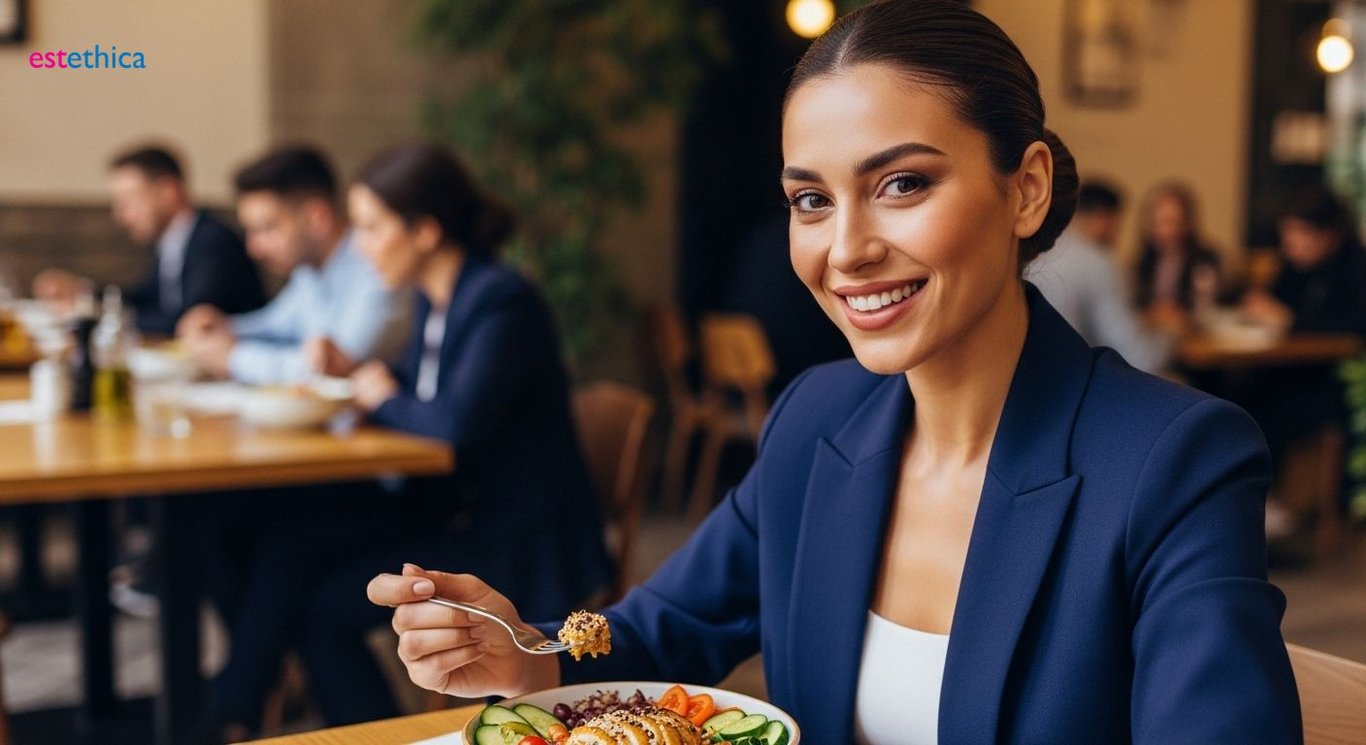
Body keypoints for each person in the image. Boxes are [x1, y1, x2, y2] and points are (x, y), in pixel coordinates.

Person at [367, 3, 1301, 743]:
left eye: (902, 184)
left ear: (1027, 188)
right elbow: (657, 631)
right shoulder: (820, 417)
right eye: (811, 199)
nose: (845, 249)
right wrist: (526, 650)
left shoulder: (1175, 461)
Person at [211, 143, 613, 737]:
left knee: (322, 609)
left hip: (517, 541)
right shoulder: (439, 296)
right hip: (455, 510)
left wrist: (381, 396)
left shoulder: (501, 300)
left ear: (424, 231)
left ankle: (240, 712)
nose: (360, 244)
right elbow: (429, 389)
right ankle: (232, 708)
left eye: (372, 228)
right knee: (282, 541)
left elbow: (453, 424)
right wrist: (363, 375)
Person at [176, 146, 410, 384]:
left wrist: (233, 358)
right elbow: (277, 324)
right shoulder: (309, 271)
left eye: (267, 228)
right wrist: (223, 328)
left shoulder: (380, 267)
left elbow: (334, 369)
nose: (253, 248)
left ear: (316, 218)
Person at [33, 145, 265, 335]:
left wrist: (97, 315)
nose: (120, 216)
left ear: (168, 192)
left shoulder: (213, 242)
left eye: (128, 201)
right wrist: (85, 293)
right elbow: (146, 298)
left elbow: (186, 321)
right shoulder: (174, 240)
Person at [1028, 181, 1173, 373]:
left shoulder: (1040, 252)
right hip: (1073, 380)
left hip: (1033, 376)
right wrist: (1172, 334)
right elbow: (1139, 358)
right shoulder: (1098, 262)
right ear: (1104, 218)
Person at [1133, 181, 1222, 334]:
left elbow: (1208, 304)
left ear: (1187, 223)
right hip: (1154, 337)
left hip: (1195, 337)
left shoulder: (1204, 258)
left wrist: (1179, 313)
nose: (1165, 230)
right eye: (1158, 222)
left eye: (1171, 221)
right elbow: (1134, 304)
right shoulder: (1143, 260)